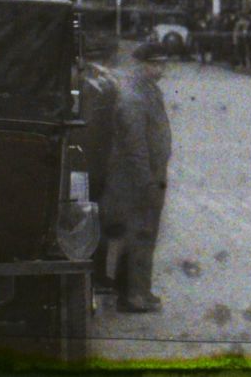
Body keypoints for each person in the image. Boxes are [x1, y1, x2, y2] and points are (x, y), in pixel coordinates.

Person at [105, 43, 173, 313]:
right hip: (137, 180)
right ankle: (134, 295)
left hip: (149, 175)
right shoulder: (134, 96)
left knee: (143, 234)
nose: (162, 68)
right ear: (143, 64)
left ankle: (139, 290)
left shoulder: (147, 89)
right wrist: (146, 181)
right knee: (140, 235)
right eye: (157, 63)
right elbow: (135, 147)